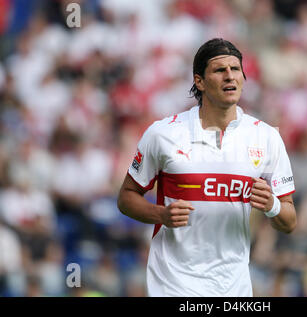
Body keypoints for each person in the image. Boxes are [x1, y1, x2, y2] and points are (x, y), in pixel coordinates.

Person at [117, 38, 297, 296]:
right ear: (199, 81)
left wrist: (272, 206)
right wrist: (161, 215)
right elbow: (126, 197)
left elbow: (289, 222)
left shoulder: (266, 137)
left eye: (235, 69)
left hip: (234, 287)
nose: (229, 76)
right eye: (219, 70)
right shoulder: (163, 134)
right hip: (173, 284)